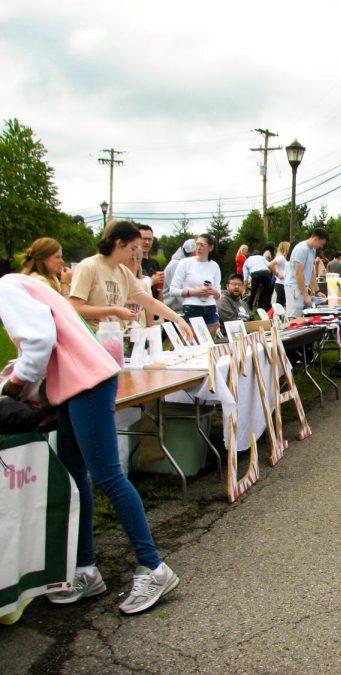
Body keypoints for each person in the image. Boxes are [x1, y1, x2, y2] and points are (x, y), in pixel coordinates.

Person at [0, 273, 182, 614]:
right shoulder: (22, 284)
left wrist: (14, 390)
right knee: (75, 476)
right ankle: (85, 569)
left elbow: (38, 341)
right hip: (75, 384)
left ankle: (154, 567)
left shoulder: (6, 289)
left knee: (107, 476)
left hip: (86, 383)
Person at [69, 221, 193, 337]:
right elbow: (75, 308)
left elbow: (149, 302)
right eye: (133, 248)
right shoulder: (89, 267)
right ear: (119, 243)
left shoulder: (123, 272)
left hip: (114, 338)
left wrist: (178, 319)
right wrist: (114, 310)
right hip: (91, 338)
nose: (134, 254)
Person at [170, 233, 222, 338]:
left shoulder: (214, 265)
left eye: (202, 245)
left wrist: (213, 292)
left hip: (210, 308)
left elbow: (218, 294)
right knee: (192, 340)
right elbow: (173, 290)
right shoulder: (185, 263)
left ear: (210, 248)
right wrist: (194, 292)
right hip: (192, 307)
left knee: (209, 341)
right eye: (197, 244)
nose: (198, 248)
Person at [284, 228, 329, 319]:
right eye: (321, 243)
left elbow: (311, 271)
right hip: (294, 287)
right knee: (294, 317)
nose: (321, 246)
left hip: (301, 287)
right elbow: (298, 273)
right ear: (316, 239)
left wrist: (317, 291)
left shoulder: (312, 250)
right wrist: (305, 295)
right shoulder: (302, 249)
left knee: (301, 317)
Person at [163, 239, 196, 312]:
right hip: (169, 307)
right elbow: (178, 291)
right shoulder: (176, 265)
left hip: (178, 308)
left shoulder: (185, 264)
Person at [137, 224, 164, 301]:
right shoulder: (132, 262)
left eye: (150, 239)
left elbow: (159, 291)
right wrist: (152, 281)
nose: (147, 242)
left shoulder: (155, 263)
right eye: (144, 239)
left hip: (155, 307)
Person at [269, 241, 290, 308]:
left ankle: (277, 316)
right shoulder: (281, 257)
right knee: (280, 304)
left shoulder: (282, 258)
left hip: (282, 283)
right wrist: (277, 275)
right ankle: (276, 317)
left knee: (281, 303)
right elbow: (270, 265)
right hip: (281, 283)